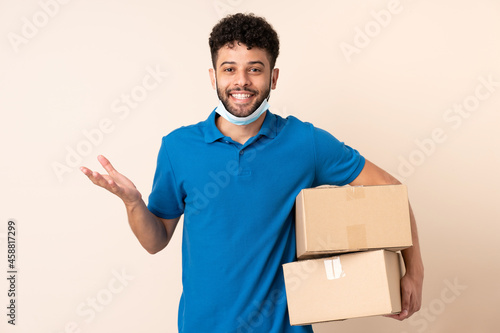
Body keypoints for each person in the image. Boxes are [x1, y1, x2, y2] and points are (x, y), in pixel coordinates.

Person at [81, 13, 423, 333]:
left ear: (273, 77)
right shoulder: (178, 148)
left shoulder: (305, 143)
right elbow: (155, 241)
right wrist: (133, 203)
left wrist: (414, 273)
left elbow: (390, 190)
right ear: (213, 76)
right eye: (229, 69)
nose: (241, 81)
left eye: (255, 69)